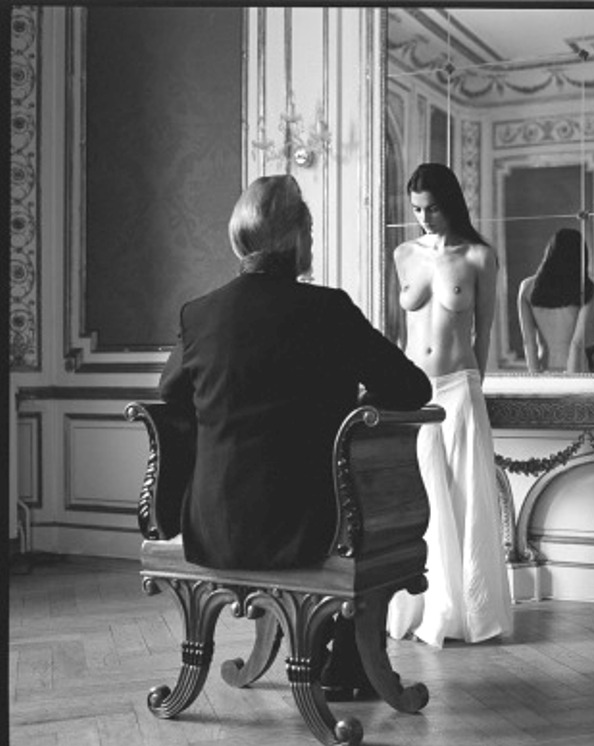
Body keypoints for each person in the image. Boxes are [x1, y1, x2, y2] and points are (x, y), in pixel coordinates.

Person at [159, 174, 431, 699]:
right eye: (308, 230)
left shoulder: (200, 313)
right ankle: (348, 662)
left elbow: (169, 393)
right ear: (298, 236)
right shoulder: (329, 309)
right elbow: (412, 387)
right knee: (361, 511)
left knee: (343, 509)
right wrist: (359, 402)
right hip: (308, 526)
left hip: (214, 521)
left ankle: (333, 654)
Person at [387, 162, 513, 648]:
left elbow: (485, 332)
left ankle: (466, 613)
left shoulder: (479, 256)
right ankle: (420, 606)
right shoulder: (404, 254)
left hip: (459, 387)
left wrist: (475, 390)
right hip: (413, 392)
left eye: (433, 208)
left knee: (465, 500)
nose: (424, 218)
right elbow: (400, 333)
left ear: (452, 203)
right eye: (417, 209)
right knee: (419, 501)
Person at [517, 228, 594, 373]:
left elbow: (529, 342)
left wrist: (534, 376)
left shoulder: (527, 287)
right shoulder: (586, 287)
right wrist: (572, 377)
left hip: (545, 367)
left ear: (549, 252)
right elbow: (577, 342)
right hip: (578, 369)